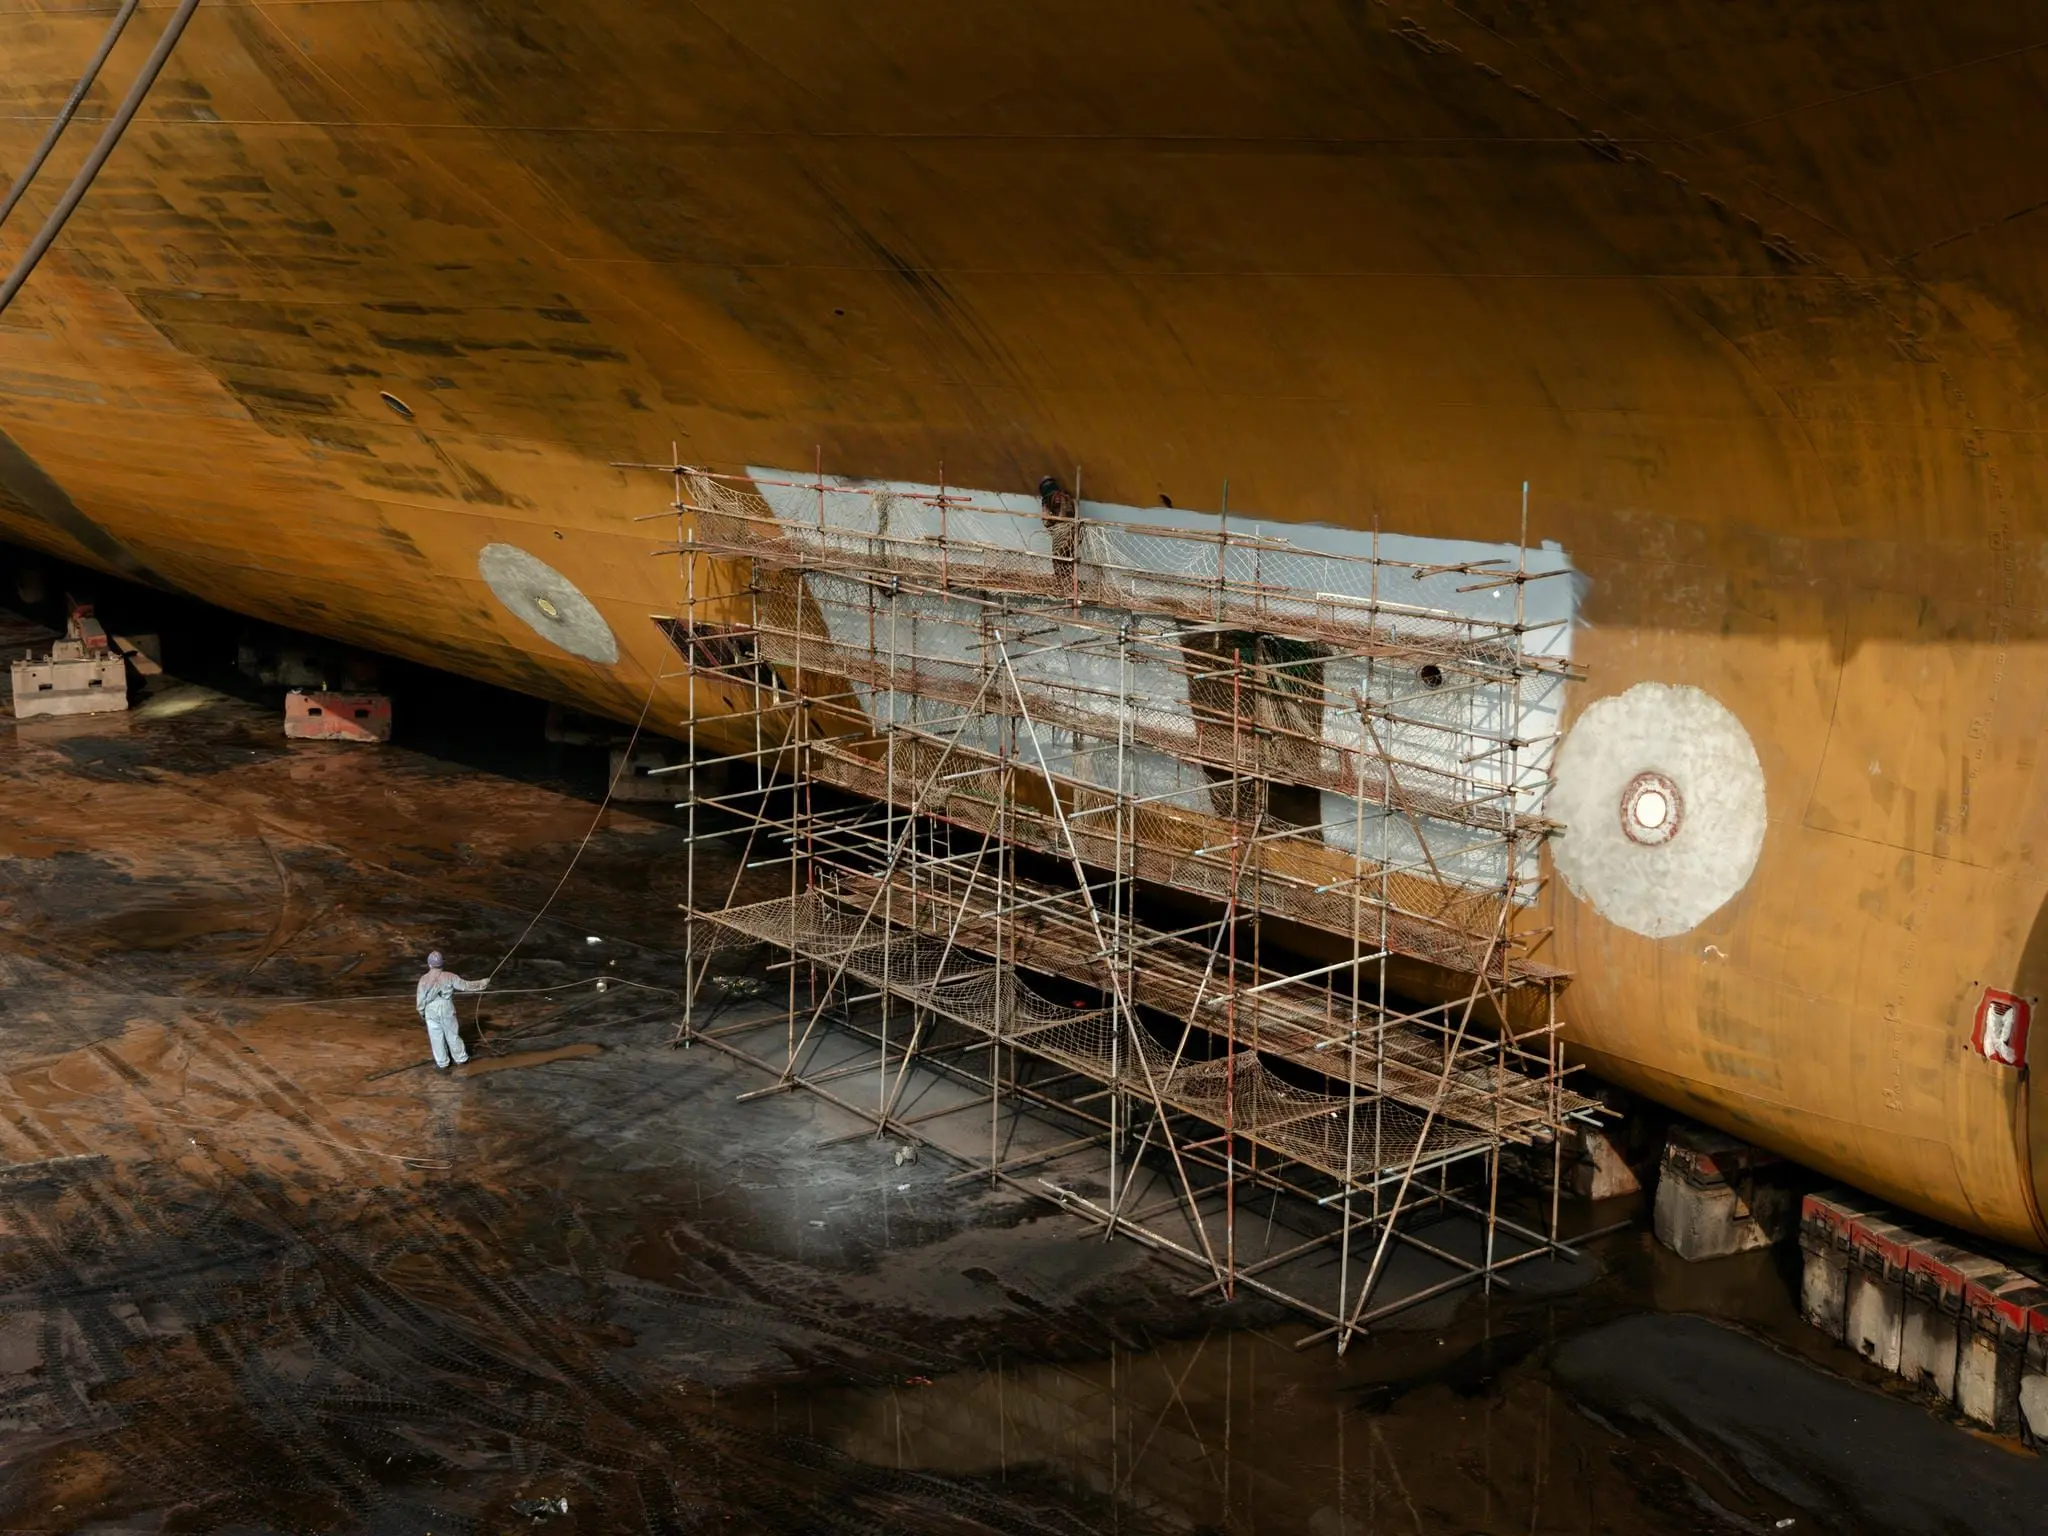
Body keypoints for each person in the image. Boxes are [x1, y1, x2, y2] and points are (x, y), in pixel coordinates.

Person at [416, 950, 487, 1070]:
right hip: (446, 1007)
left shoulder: (423, 980)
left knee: (436, 1037)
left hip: (430, 1009)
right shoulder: (450, 976)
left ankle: (442, 1063)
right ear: (442, 963)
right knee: (452, 1034)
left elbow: (420, 1001)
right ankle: (461, 1059)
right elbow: (466, 986)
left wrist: (422, 1013)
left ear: (429, 964)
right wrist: (482, 983)